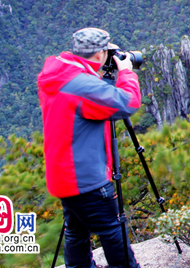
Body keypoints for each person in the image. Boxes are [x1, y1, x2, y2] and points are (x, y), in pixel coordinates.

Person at [38, 27, 142, 268]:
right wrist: (126, 73)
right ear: (98, 55)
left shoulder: (59, 75)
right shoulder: (82, 86)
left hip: (62, 177)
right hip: (87, 181)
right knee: (112, 230)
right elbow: (128, 103)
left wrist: (102, 78)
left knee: (76, 233)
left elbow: (89, 104)